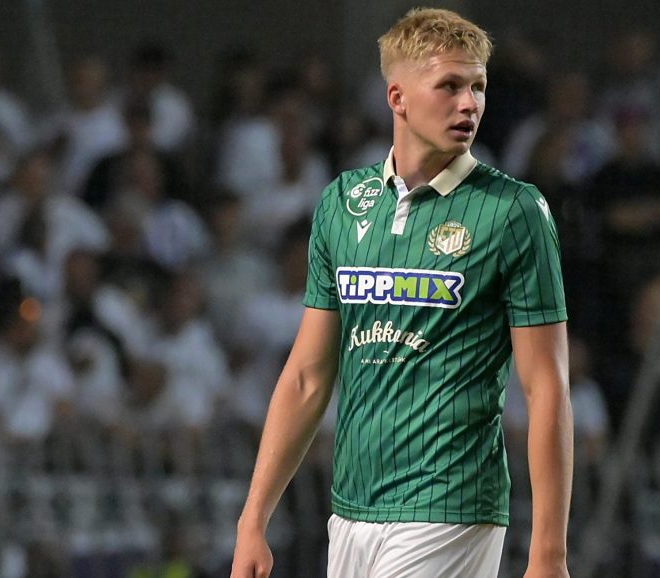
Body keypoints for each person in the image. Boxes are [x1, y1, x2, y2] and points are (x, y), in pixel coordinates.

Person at [229, 8, 572, 578]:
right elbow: (307, 377)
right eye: (450, 86)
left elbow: (547, 386)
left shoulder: (514, 211)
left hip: (451, 507)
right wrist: (252, 519)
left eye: (478, 87)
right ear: (398, 97)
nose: (469, 104)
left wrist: (549, 554)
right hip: (352, 509)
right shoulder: (342, 203)